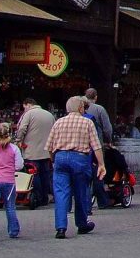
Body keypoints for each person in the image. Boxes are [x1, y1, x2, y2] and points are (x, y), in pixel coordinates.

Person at [45, 95, 105, 239]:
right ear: (80, 108)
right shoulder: (87, 122)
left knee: (60, 193)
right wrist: (101, 164)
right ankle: (82, 223)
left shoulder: (58, 122)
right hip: (80, 158)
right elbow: (96, 146)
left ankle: (61, 228)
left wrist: (53, 160)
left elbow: (49, 146)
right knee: (81, 192)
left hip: (60, 157)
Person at [16, 97, 55, 207]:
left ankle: (36, 198)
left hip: (31, 151)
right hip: (47, 151)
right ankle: (44, 197)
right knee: (45, 175)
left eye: (24, 107)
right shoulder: (49, 115)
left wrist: (19, 140)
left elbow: (22, 129)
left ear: (27, 104)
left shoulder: (28, 114)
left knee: (33, 175)